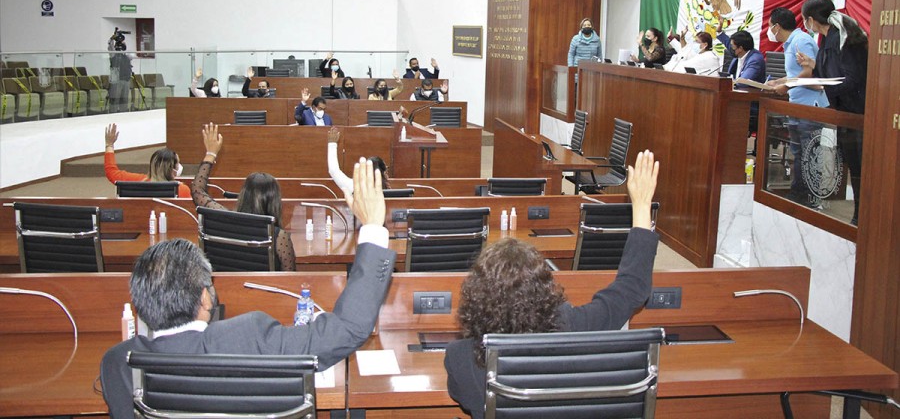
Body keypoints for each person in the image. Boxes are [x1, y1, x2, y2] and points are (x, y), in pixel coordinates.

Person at [100, 157, 395, 419]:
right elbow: (349, 327)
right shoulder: (250, 338)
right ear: (206, 298)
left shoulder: (116, 364)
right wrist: (372, 226)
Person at [444, 150, 660, 419]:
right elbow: (632, 288)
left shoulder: (460, 358)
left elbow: (461, 397)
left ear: (477, 295)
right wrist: (641, 207)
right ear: (545, 287)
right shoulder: (574, 325)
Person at [797, 0, 868, 225]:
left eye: (805, 21)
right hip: (842, 112)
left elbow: (853, 79)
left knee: (860, 167)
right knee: (853, 165)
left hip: (858, 112)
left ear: (810, 19)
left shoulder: (845, 39)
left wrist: (825, 83)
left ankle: (862, 216)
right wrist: (812, 67)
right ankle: (859, 215)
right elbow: (828, 76)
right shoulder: (826, 40)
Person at [191, 123, 295, 270]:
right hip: (264, 292)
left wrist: (211, 154)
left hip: (225, 290)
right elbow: (290, 278)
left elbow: (197, 190)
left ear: (243, 195)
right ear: (275, 201)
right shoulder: (279, 237)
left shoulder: (222, 219)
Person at [765, 7, 829, 208]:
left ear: (777, 26)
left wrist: (786, 85)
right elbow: (796, 73)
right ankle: (798, 194)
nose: (770, 30)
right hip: (797, 105)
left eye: (770, 26)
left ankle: (810, 199)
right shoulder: (790, 43)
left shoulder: (801, 41)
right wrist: (778, 81)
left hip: (811, 105)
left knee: (809, 153)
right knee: (799, 151)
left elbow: (809, 72)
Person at [104, 123, 190, 198]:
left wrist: (109, 145)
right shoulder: (182, 190)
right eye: (178, 163)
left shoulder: (138, 181)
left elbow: (111, 172)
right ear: (173, 171)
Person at [327, 128, 391, 197]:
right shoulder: (387, 191)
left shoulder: (354, 186)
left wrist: (332, 144)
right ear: (383, 173)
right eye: (386, 171)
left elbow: (333, 170)